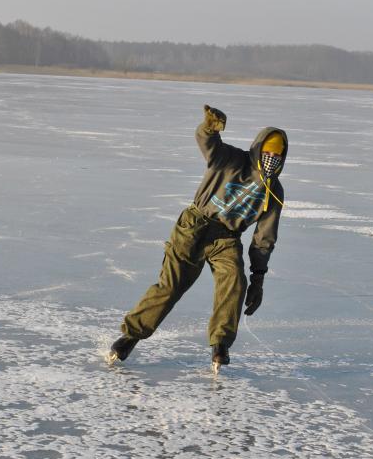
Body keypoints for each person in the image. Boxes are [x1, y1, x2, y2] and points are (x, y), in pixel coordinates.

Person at [109, 104, 287, 367]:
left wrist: (258, 279)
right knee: (171, 286)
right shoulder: (230, 159)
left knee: (235, 282)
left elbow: (264, 238)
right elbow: (208, 143)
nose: (272, 159)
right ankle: (130, 336)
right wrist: (209, 128)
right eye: (268, 153)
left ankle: (220, 345)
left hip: (226, 238)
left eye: (278, 156)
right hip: (194, 227)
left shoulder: (274, 192)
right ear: (258, 149)